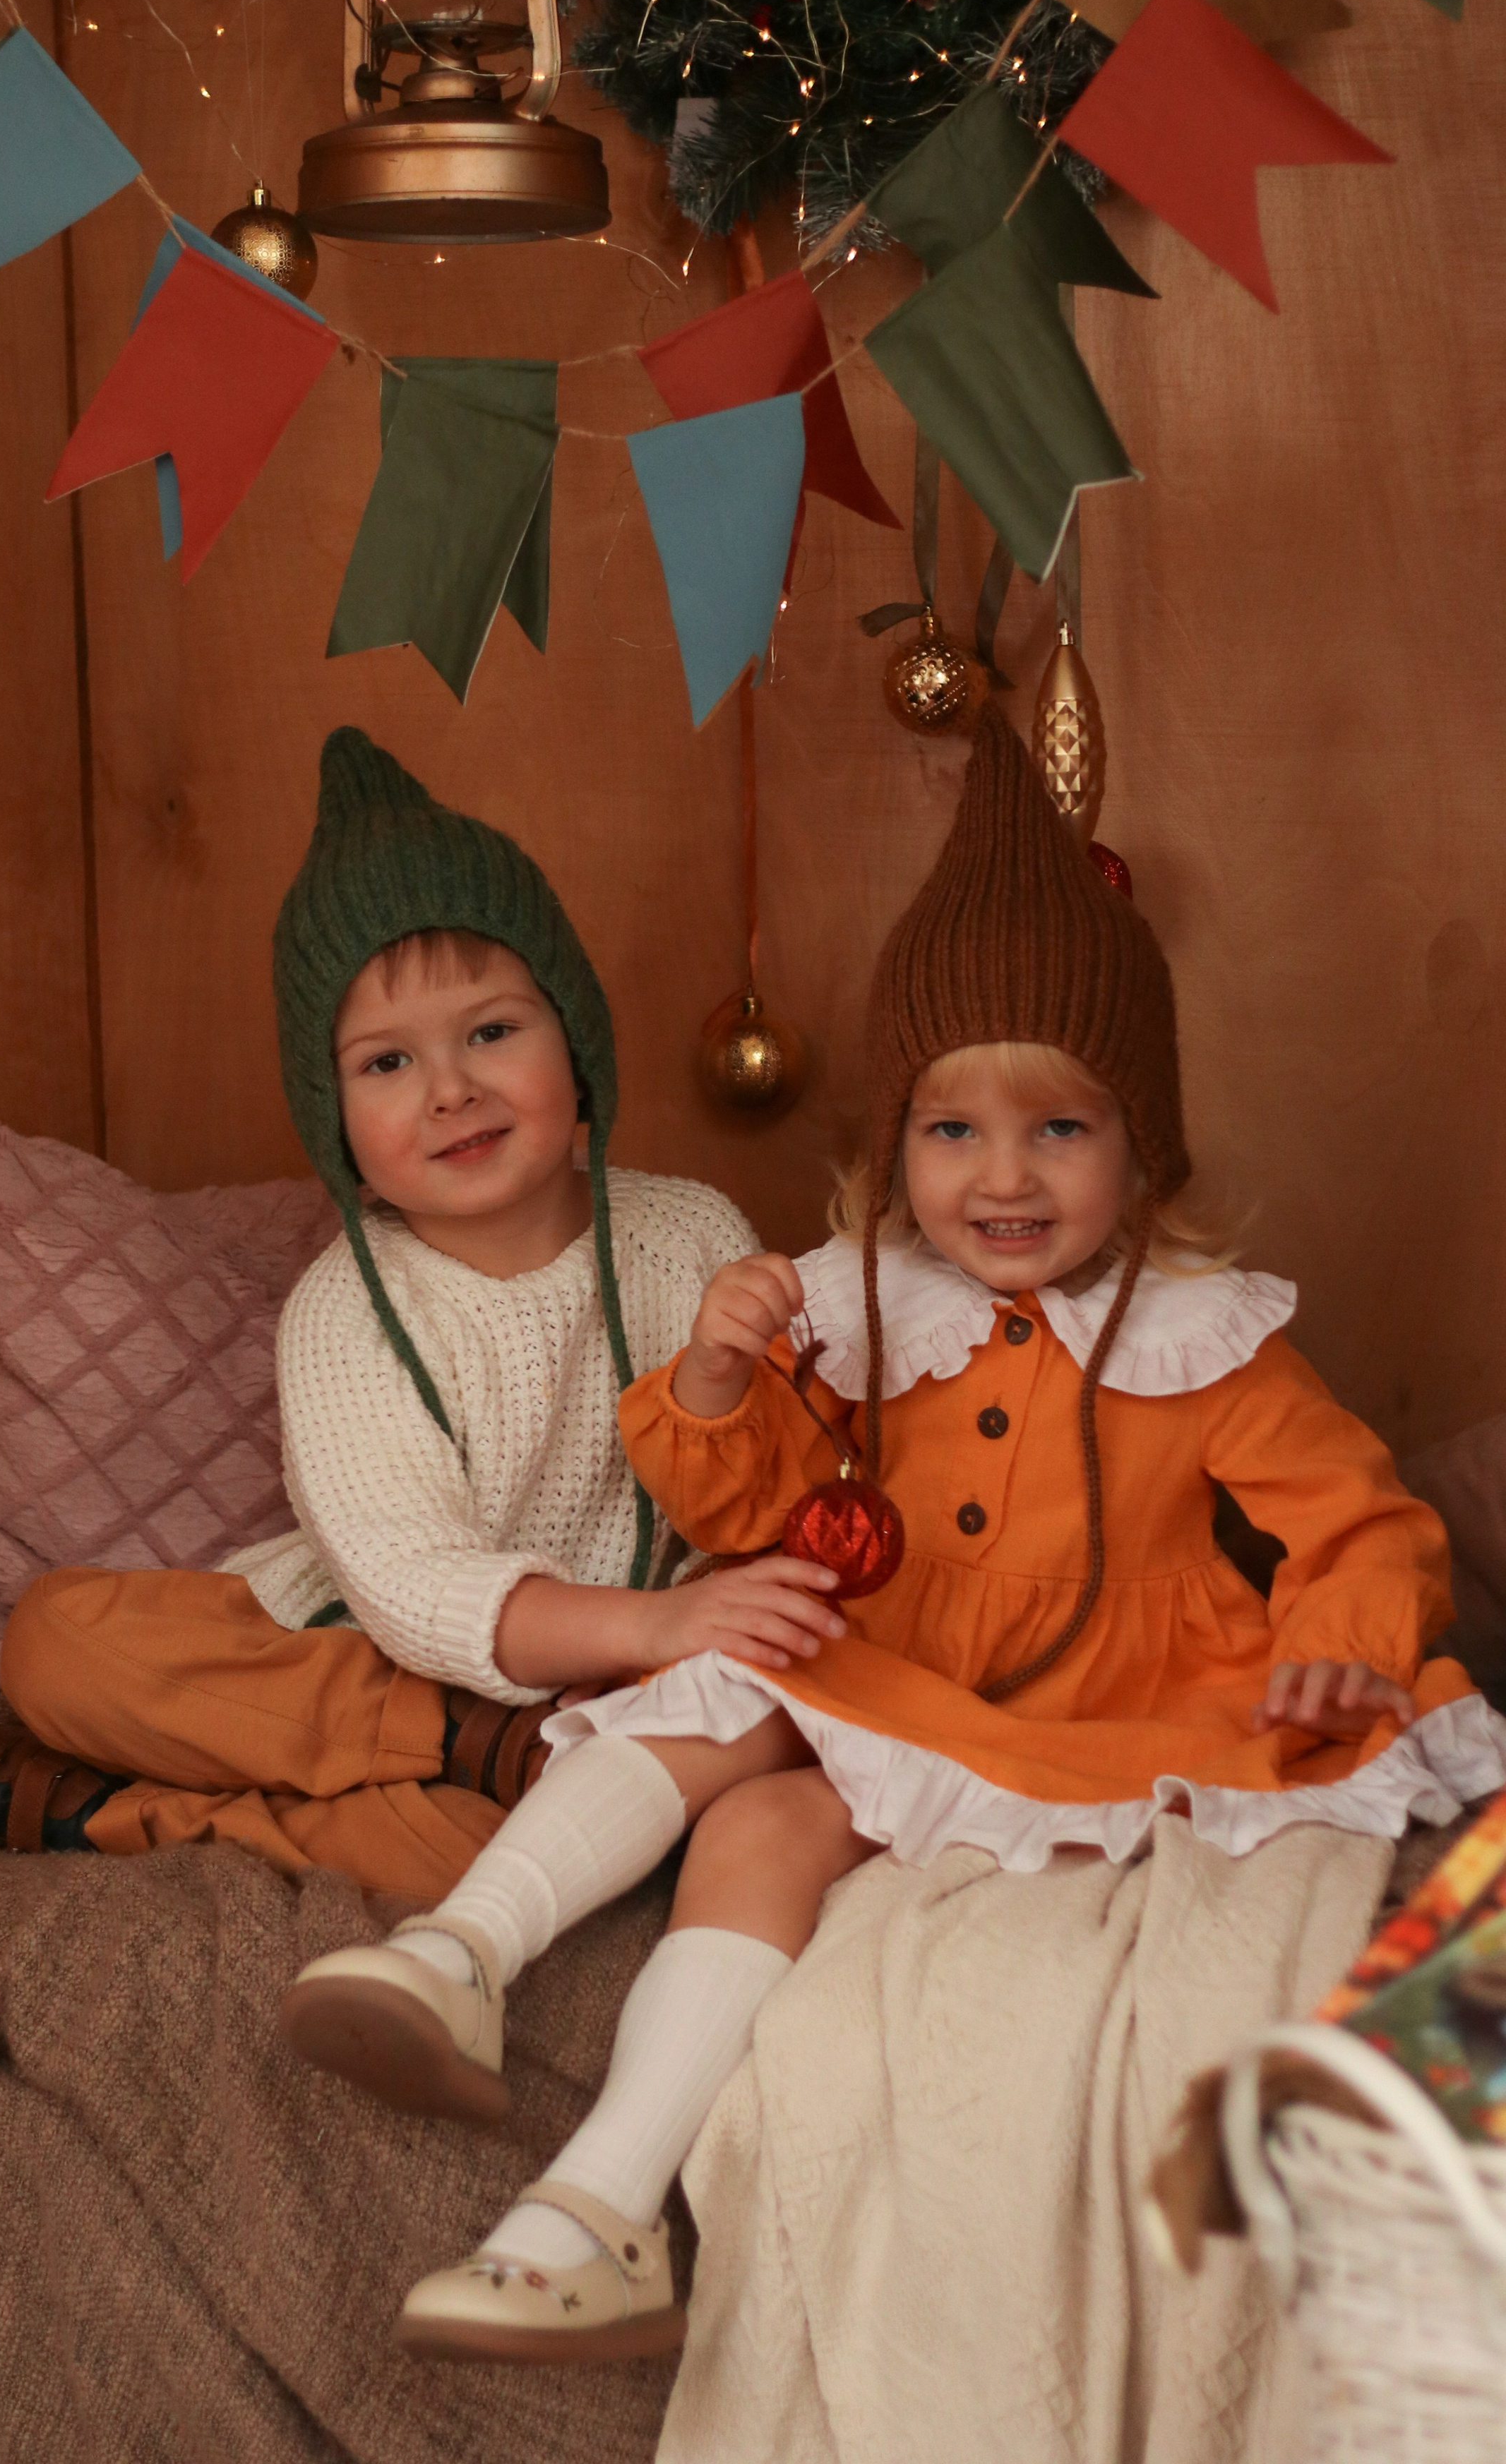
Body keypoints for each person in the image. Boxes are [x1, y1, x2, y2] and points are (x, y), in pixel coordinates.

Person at [285, 698, 1506, 2364]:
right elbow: (756, 1505)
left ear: (1140, 1145)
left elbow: (1355, 1526)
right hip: (903, 1672)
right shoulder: (865, 1309)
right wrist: (720, 1375)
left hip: (1098, 1703)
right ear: (894, 1147)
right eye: (950, 1131)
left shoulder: (1208, 1338)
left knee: (741, 1679)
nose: (1000, 1180)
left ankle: (518, 2045)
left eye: (1056, 1129)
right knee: (750, 1784)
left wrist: (1338, 1652)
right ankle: (571, 2164)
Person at [0, 731, 826, 1901]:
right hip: (367, 1654)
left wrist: (723, 1401)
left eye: (491, 1031)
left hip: (622, 1702)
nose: (450, 1090)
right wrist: (624, 1638)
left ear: (575, 1046)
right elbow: (406, 1578)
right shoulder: (347, 1310)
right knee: (56, 1637)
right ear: (337, 1125)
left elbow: (766, 1495)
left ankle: (104, 1813)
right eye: (386, 1064)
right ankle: (466, 1750)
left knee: (494, 1864)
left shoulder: (689, 1238)